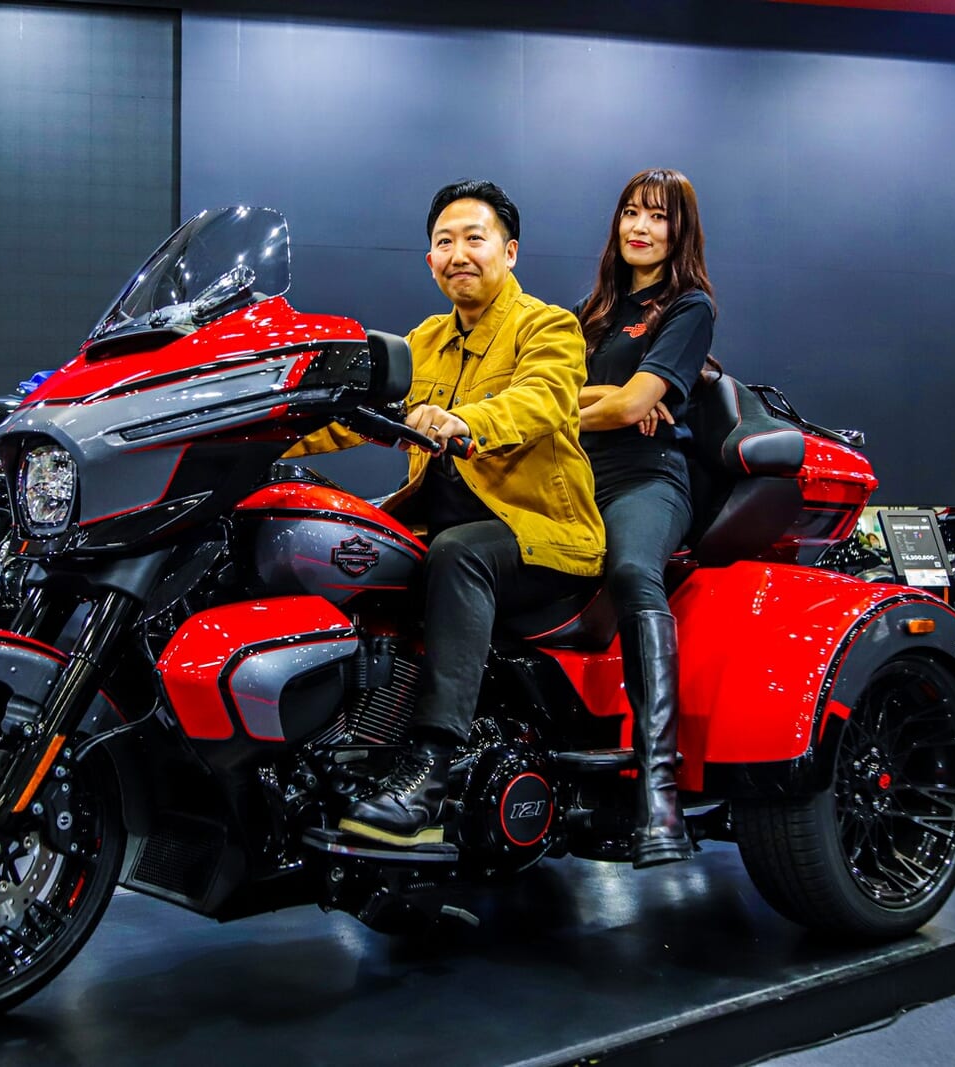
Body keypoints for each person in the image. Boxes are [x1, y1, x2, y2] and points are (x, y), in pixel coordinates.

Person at [292, 180, 605, 847]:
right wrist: (259, 435)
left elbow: (542, 399)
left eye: (474, 238)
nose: (458, 253)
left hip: (539, 536)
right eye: (444, 241)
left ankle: (429, 770)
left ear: (509, 252)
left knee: (459, 552)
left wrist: (465, 421)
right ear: (429, 260)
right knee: (330, 541)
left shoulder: (548, 327)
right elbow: (353, 415)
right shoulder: (424, 341)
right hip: (438, 527)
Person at [573, 169, 715, 866]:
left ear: (678, 229)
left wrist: (619, 399)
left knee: (632, 570)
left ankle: (659, 793)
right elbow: (545, 392)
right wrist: (614, 396)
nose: (641, 226)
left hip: (647, 477)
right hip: (574, 475)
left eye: (658, 216)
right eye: (631, 211)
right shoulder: (589, 312)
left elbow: (634, 408)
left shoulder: (688, 308)